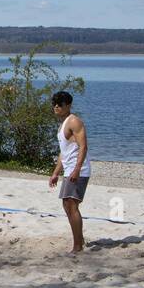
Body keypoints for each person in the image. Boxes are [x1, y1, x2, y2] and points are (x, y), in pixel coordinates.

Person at [48, 90, 90, 254]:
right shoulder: (63, 124)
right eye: (54, 104)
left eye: (60, 104)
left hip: (78, 170)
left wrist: (77, 170)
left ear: (68, 105)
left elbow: (83, 146)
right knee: (68, 205)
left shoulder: (74, 121)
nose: (56, 107)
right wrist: (55, 172)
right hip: (70, 169)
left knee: (70, 204)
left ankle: (78, 246)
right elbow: (63, 152)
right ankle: (80, 240)